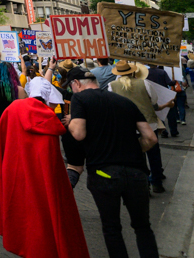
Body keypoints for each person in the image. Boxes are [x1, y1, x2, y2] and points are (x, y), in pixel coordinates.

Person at [66, 67, 160, 258]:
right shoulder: (125, 102)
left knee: (112, 228)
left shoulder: (80, 99)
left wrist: (70, 121)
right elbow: (150, 138)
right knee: (143, 226)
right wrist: (131, 150)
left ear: (76, 84)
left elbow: (78, 133)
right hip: (136, 173)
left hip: (104, 173)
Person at [0, 94, 88, 258]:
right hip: (42, 181)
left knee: (25, 222)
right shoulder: (49, 123)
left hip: (16, 176)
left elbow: (1, 141)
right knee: (49, 214)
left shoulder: (13, 111)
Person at [109, 60, 170, 193]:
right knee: (154, 154)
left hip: (126, 126)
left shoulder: (111, 86)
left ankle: (143, 185)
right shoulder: (145, 83)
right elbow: (154, 101)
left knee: (137, 157)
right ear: (133, 72)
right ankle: (156, 182)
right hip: (148, 123)